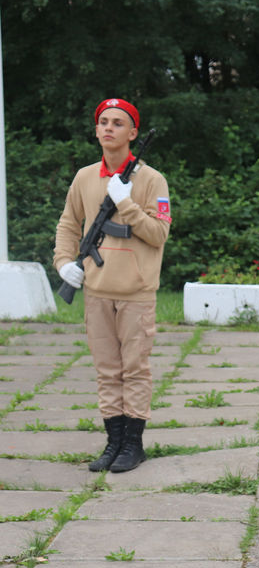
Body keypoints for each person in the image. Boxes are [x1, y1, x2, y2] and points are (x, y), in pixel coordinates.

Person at [53, 98, 171, 473]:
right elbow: (69, 224)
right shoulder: (85, 177)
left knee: (134, 370)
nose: (109, 128)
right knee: (106, 370)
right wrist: (63, 262)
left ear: (133, 133)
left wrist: (127, 203)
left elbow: (158, 234)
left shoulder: (152, 180)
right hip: (97, 290)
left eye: (118, 123)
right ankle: (113, 443)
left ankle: (133, 445)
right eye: (103, 122)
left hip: (136, 292)